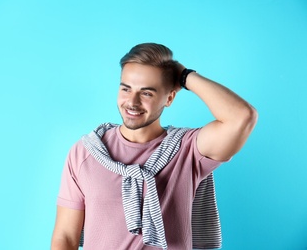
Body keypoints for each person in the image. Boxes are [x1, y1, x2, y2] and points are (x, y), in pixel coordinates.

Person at [51, 43, 258, 250]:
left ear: (169, 98)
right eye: (126, 89)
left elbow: (242, 117)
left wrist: (185, 76)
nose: (132, 102)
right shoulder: (86, 152)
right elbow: (66, 236)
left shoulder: (188, 150)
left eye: (146, 93)